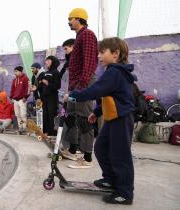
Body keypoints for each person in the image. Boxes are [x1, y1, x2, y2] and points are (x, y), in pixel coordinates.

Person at [66, 37, 135, 205]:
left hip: (122, 118)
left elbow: (96, 90)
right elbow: (108, 95)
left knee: (120, 155)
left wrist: (75, 95)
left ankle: (125, 193)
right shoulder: (112, 71)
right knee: (101, 148)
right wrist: (96, 112)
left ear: (116, 54)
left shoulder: (115, 72)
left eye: (102, 52)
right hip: (112, 117)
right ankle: (110, 179)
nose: (98, 56)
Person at [65, 8, 98, 168]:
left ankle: (87, 158)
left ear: (79, 18)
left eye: (71, 18)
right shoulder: (78, 37)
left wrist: (81, 86)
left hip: (83, 83)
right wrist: (71, 88)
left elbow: (90, 62)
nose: (69, 21)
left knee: (84, 118)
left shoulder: (87, 34)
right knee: (71, 115)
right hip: (75, 85)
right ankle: (72, 149)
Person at [41, 56, 61, 136]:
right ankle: (45, 131)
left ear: (53, 61)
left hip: (52, 97)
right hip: (45, 97)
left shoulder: (56, 72)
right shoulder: (46, 72)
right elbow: (43, 85)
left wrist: (48, 83)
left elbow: (57, 86)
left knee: (51, 114)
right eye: (46, 61)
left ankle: (52, 133)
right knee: (45, 114)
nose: (46, 62)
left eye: (48, 60)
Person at [10, 66, 30, 133]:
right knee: (17, 114)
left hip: (22, 99)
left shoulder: (25, 78)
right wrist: (11, 97)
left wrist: (25, 97)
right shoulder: (14, 80)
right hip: (15, 100)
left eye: (16, 71)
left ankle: (25, 127)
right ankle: (20, 127)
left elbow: (28, 88)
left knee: (23, 114)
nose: (15, 73)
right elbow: (12, 89)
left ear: (20, 71)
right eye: (14, 71)